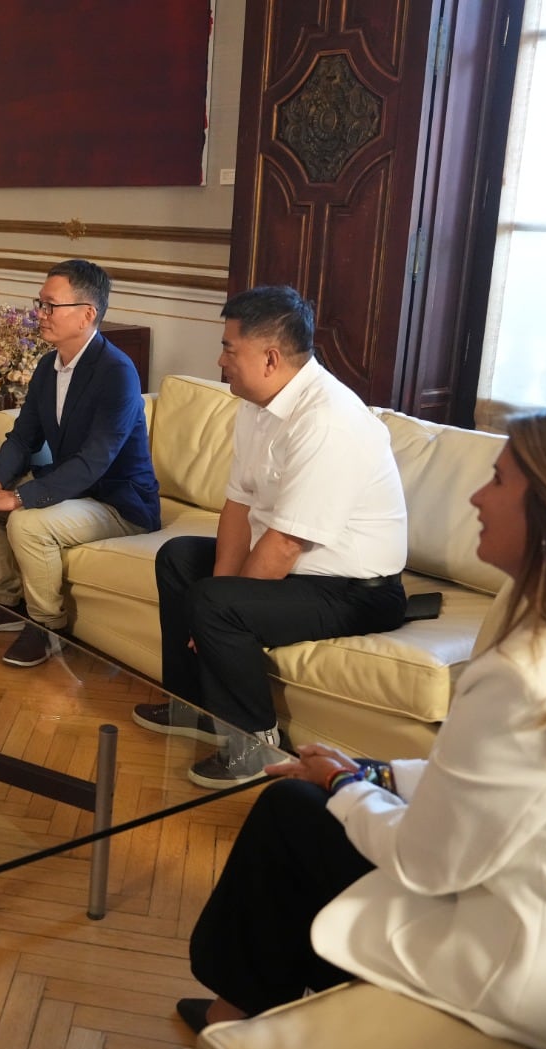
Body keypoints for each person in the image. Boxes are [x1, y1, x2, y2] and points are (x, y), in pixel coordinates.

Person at [176, 406, 546, 1049]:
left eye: (499, 481)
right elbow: (525, 786)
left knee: (293, 812)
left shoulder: (531, 672)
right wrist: (379, 773)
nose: (478, 497)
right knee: (314, 805)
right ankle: (250, 1012)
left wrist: (343, 782)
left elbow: (429, 861)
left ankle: (235, 1022)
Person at [133, 285, 408, 788]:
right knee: (179, 559)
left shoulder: (327, 420)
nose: (220, 360)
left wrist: (214, 603)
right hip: (302, 574)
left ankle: (254, 745)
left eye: (228, 349)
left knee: (216, 602)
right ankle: (195, 706)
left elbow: (284, 545)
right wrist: (213, 594)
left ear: (270, 357)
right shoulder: (256, 405)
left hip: (355, 591)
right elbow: (237, 506)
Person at [0, 259, 159, 668]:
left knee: (27, 521)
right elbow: (24, 436)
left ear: (87, 314)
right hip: (74, 491)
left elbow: (95, 460)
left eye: (49, 306)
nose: (38, 314)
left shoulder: (117, 371)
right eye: (39, 303)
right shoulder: (48, 366)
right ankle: (6, 604)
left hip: (119, 502)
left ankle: (47, 627)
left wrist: (23, 497)